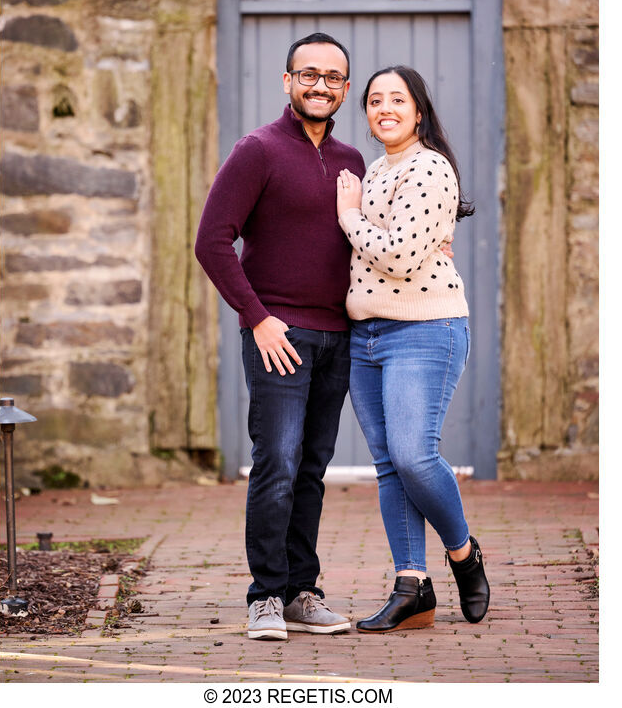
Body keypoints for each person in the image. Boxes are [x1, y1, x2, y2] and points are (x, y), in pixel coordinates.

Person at [195, 32, 366, 640]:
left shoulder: (352, 161)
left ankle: (300, 591)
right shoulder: (258, 150)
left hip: (338, 337)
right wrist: (258, 317)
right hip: (279, 335)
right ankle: (265, 595)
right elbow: (212, 241)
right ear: (287, 81)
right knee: (278, 463)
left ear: (345, 89)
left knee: (313, 467)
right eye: (308, 74)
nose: (320, 85)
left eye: (333, 77)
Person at [336, 65, 490, 632]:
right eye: (375, 100)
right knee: (387, 466)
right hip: (367, 334)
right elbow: (363, 255)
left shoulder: (429, 167)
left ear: (418, 110)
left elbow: (398, 256)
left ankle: (462, 554)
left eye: (397, 99)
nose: (384, 109)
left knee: (413, 454)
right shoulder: (373, 171)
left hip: (425, 327)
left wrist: (348, 216)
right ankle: (412, 587)